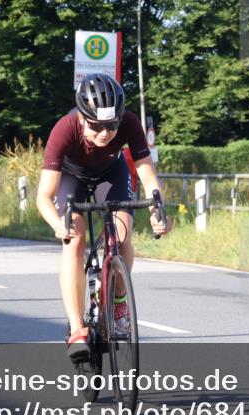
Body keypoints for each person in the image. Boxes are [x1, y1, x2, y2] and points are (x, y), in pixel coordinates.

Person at [35, 73, 170, 364]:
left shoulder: (130, 123)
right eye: (96, 126)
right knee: (75, 240)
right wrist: (58, 224)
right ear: (82, 118)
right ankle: (77, 329)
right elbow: (44, 196)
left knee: (121, 238)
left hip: (112, 173)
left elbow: (147, 173)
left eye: (111, 125)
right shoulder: (64, 129)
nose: (105, 133)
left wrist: (159, 209)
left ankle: (118, 305)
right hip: (73, 178)